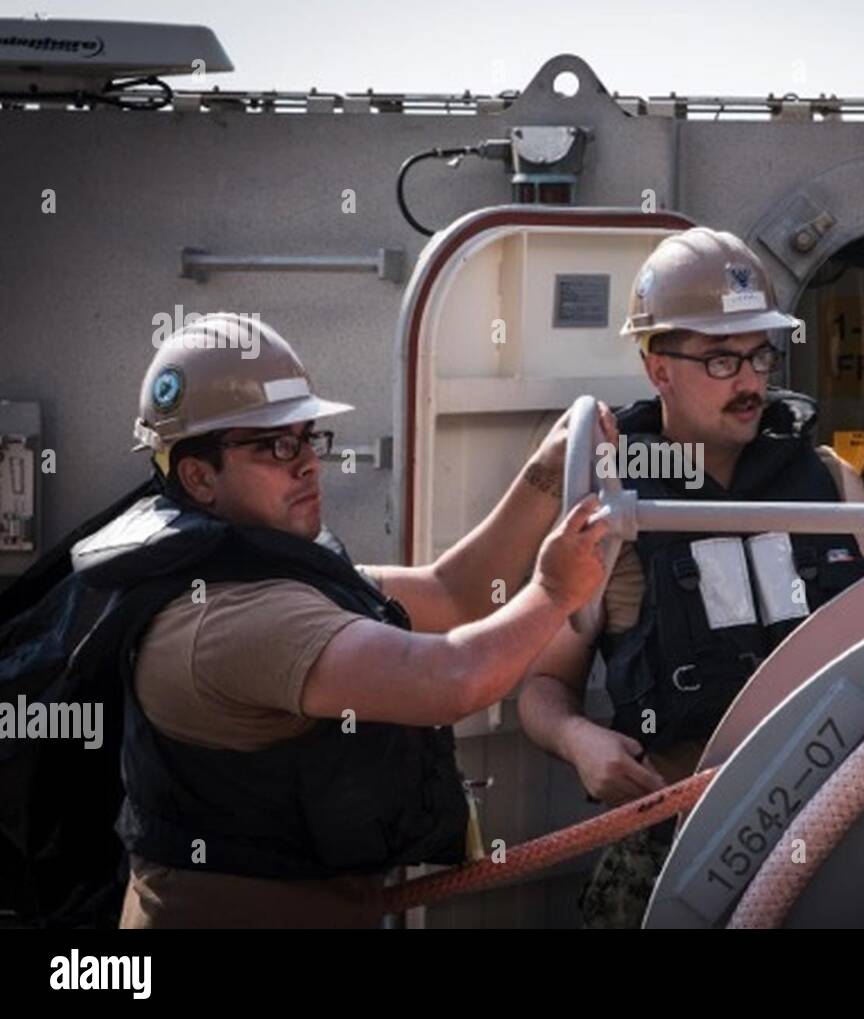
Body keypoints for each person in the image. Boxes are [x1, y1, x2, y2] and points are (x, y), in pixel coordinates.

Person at [100, 312, 610, 928]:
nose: (308, 464)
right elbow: (451, 679)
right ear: (199, 476)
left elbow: (452, 593)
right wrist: (554, 591)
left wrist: (547, 473)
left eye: (309, 438)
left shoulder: (265, 569)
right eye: (276, 446)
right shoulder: (229, 619)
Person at [517, 228, 864, 927]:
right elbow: (540, 687)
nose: (751, 382)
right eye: (722, 359)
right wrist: (578, 740)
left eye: (759, 355)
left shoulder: (835, 485)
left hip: (830, 838)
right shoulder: (611, 504)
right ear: (659, 368)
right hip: (674, 851)